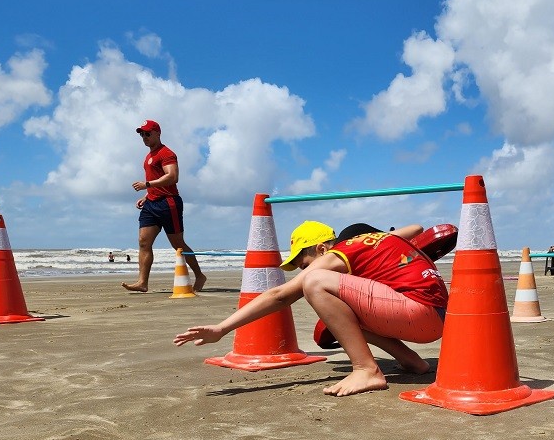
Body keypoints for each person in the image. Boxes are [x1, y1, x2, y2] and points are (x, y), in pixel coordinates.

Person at [175, 221, 448, 397]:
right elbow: (416, 228)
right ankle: (412, 361)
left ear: (322, 248)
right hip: (437, 316)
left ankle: (366, 370)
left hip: (416, 311)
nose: (304, 269)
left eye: (303, 263)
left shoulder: (340, 253)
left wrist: (222, 328)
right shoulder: (377, 242)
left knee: (316, 284)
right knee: (344, 316)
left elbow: (280, 295)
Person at [123, 120, 207, 293]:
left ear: (157, 133)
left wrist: (147, 185)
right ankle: (142, 282)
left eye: (147, 133)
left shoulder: (166, 153)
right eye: (141, 134)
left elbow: (172, 177)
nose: (144, 137)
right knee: (143, 242)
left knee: (178, 244)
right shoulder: (148, 157)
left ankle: (199, 275)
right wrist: (147, 196)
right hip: (152, 203)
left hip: (168, 203)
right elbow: (158, 181)